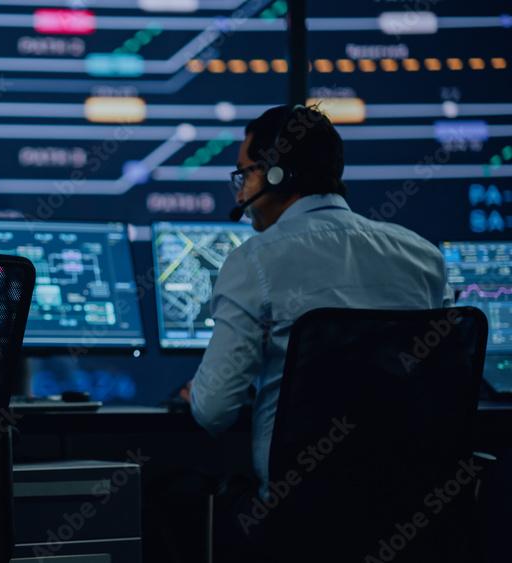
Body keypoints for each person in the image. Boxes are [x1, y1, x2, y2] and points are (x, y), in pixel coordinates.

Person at [175, 104, 453, 557]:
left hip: (297, 520)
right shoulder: (423, 257)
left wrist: (198, 392)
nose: (241, 190)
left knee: (176, 503)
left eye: (245, 173)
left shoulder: (255, 261)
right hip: (410, 511)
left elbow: (214, 412)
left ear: (277, 175)